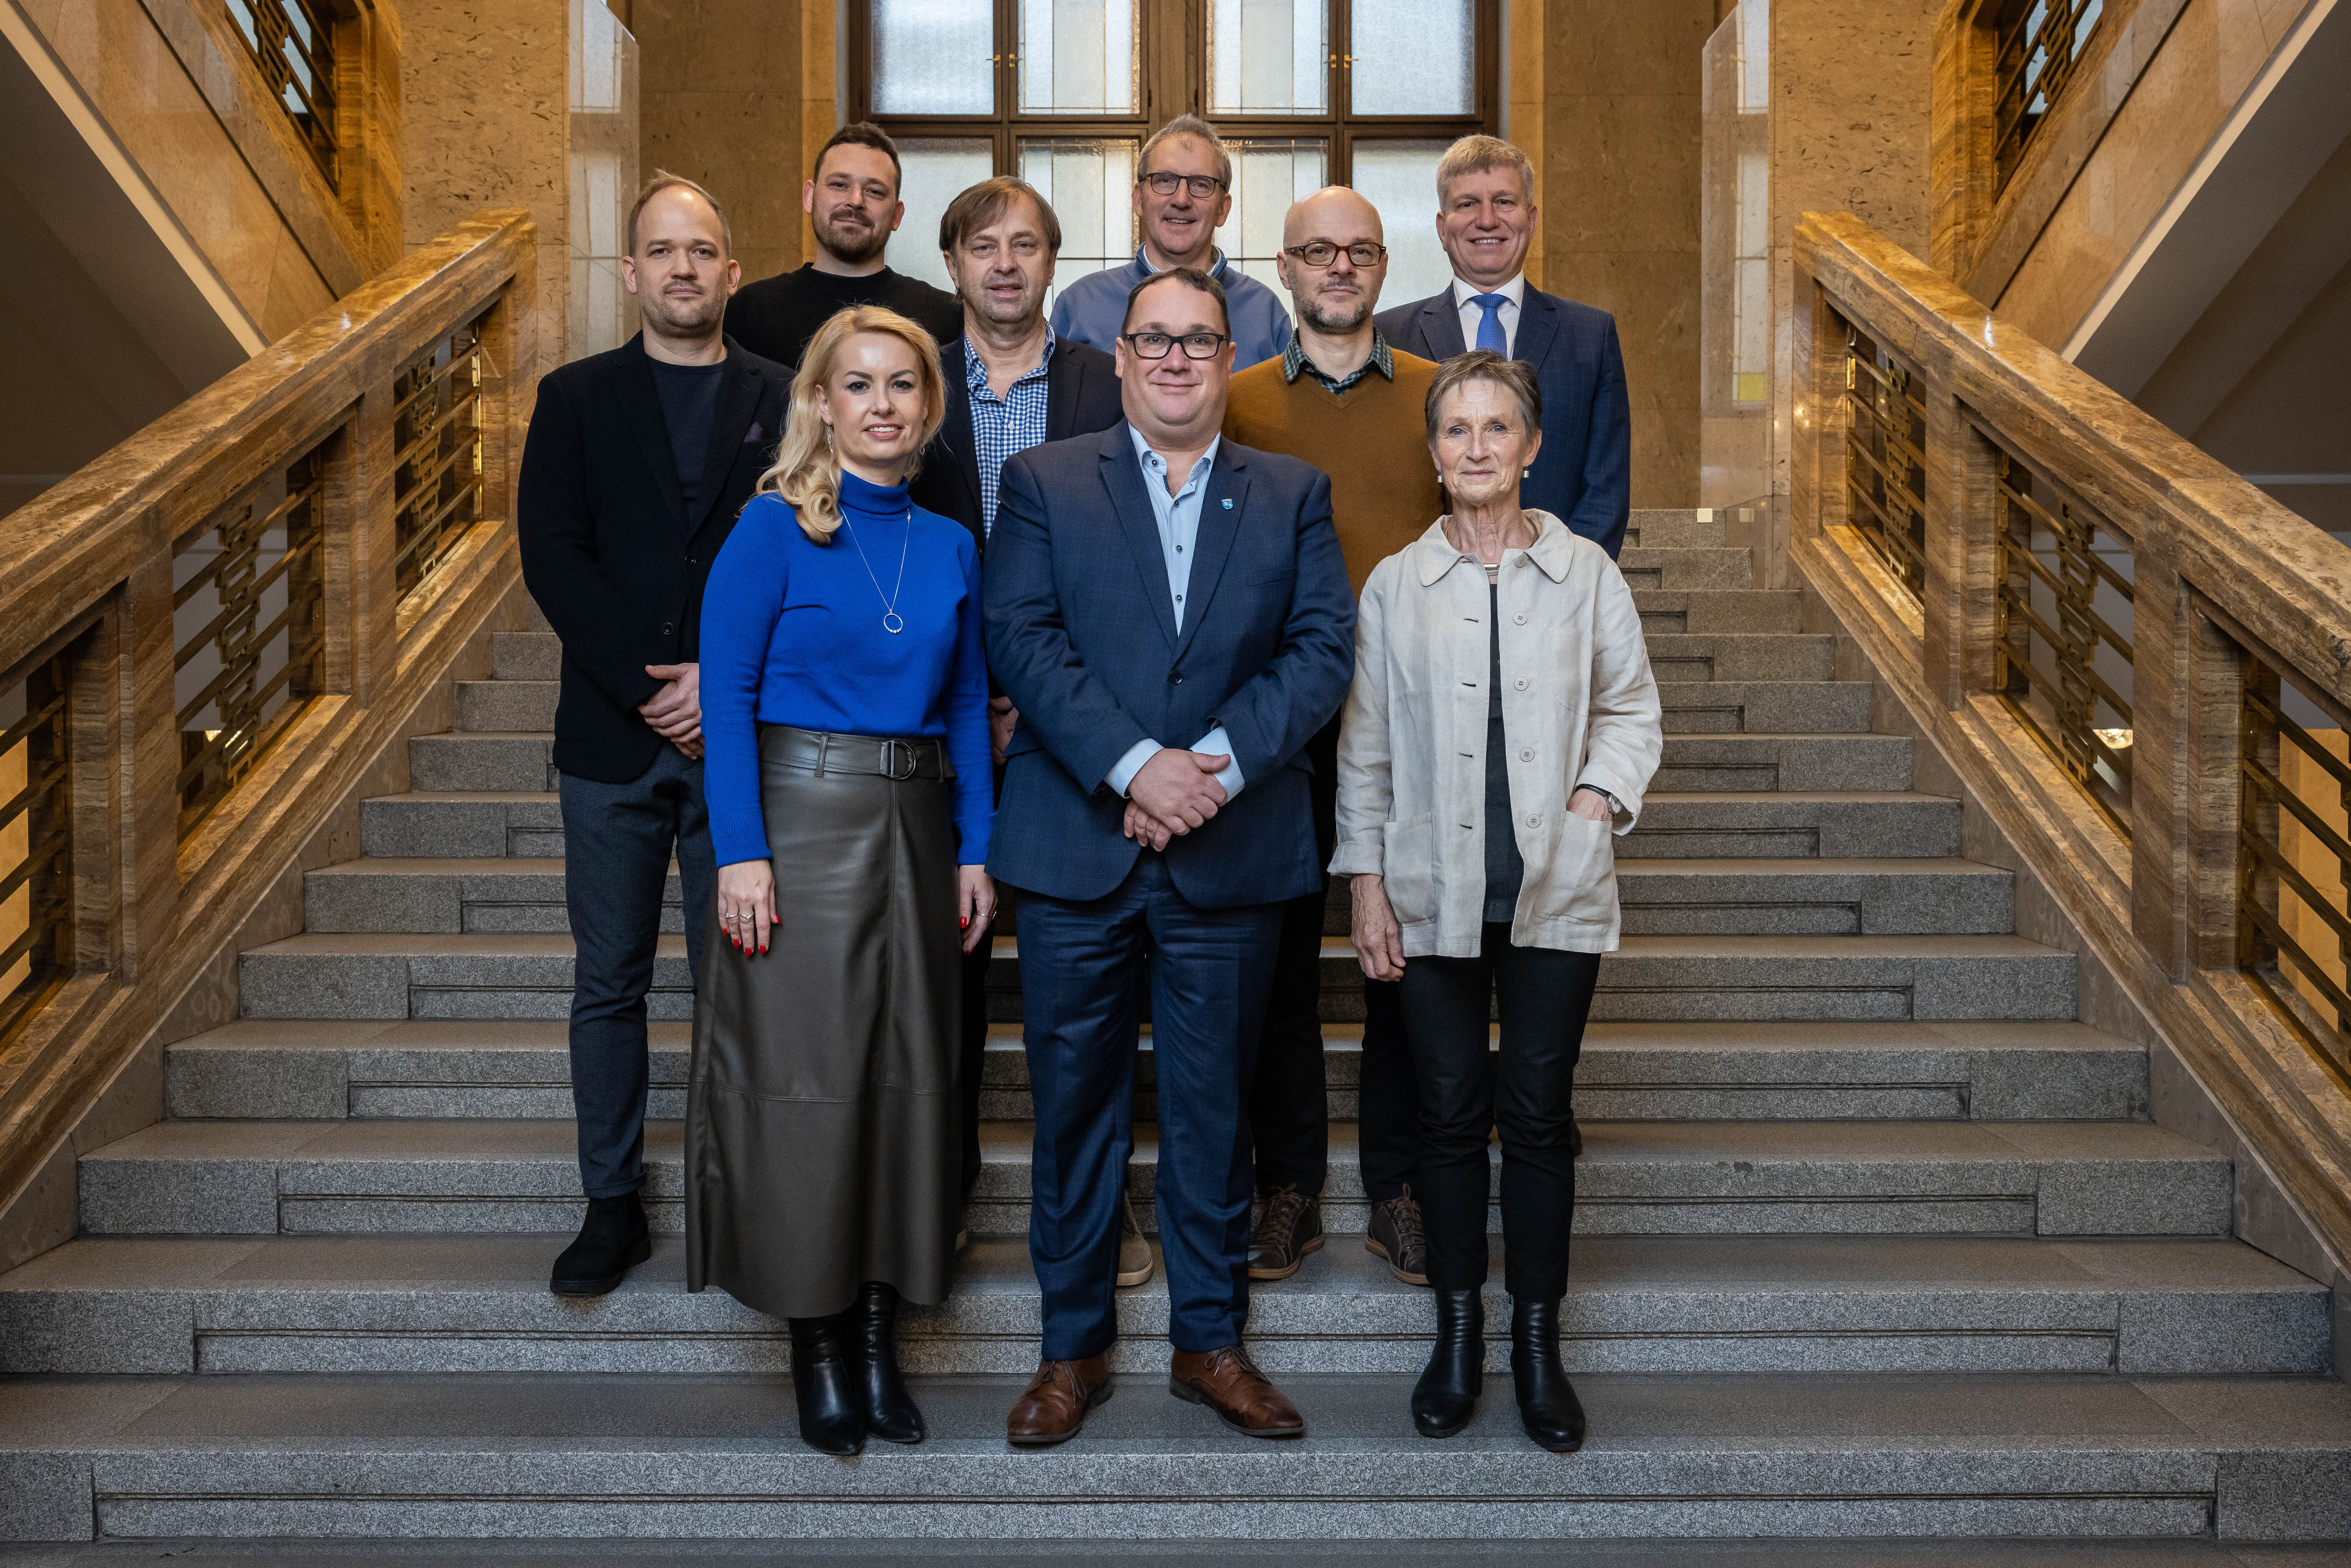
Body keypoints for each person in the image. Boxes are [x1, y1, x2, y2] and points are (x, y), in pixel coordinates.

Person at [985, 267, 1354, 1447]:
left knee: (1211, 1115)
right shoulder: (1042, 480)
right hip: (1073, 847)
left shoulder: (1292, 491)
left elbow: (1317, 650)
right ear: (1123, 351)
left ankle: (1209, 1345)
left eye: (1200, 340)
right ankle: (1068, 1352)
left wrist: (1208, 772)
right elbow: (1023, 640)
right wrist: (1137, 766)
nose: (1177, 359)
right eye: (1155, 339)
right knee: (1074, 1114)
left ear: (1229, 353)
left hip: (1232, 851)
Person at [1334, 351, 1661, 1453]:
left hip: (1554, 890)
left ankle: (1535, 1342)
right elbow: (1365, 750)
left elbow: (1631, 709)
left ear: (1530, 446)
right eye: (1457, 429)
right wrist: (1366, 885)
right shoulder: (1394, 584)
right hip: (1429, 891)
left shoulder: (1587, 577)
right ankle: (1457, 1333)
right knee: (1443, 1111)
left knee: (1534, 1116)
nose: (1476, 447)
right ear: (1434, 454)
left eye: (1497, 428)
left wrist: (1592, 795)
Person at [691, 305, 997, 1457]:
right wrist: (741, 854)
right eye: (857, 384)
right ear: (820, 403)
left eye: (902, 385)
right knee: (809, 1087)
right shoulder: (769, 534)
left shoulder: (950, 544)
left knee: (907, 1083)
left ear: (927, 406)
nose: (881, 404)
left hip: (919, 825)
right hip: (798, 824)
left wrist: (975, 846)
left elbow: (967, 703)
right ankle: (817, 1347)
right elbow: (722, 704)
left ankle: (877, 1339)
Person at [517, 173, 791, 1302]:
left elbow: (801, 559)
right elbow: (554, 558)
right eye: (662, 251)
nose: (684, 268)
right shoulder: (575, 398)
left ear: (732, 272)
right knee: (609, 982)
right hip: (613, 744)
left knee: (742, 984)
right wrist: (649, 687)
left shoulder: (785, 396)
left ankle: (737, 1196)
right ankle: (612, 1203)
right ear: (630, 273)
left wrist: (717, 686)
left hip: (742, 744)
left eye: (704, 250)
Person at [905, 177, 1148, 1287]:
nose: (1004, 264)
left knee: (1092, 993)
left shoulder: (1108, 379)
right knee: (943, 980)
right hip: (935, 714)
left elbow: (1147, 556)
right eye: (982, 246)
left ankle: (1110, 1209)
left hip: (1076, 722)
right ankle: (935, 1198)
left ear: (1055, 261)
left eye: (1027, 245)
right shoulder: (913, 382)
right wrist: (979, 695)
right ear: (950, 262)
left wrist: (1042, 699)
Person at [1219, 188, 1441, 1288]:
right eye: (1318, 251)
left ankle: (1397, 1186)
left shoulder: (1445, 400)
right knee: (1277, 973)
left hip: (1413, 732)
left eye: (1358, 251)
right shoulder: (1237, 398)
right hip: (1275, 726)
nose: (1339, 267)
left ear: (1383, 266)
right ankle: (1289, 1188)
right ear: (1286, 266)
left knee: (1405, 967)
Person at [1375, 135, 1633, 559]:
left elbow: (1606, 489)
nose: (1487, 220)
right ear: (1442, 228)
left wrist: (1562, 583)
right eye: (1466, 205)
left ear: (1531, 220)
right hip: (1426, 601)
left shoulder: (1590, 336)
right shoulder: (1389, 337)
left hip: (1559, 598)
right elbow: (1383, 488)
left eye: (1504, 202)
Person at [1048, 115, 1291, 372]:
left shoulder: (1265, 313)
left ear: (1223, 209)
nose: (1181, 200)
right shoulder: (1079, 306)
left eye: (1200, 184)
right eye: (1165, 181)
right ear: (1139, 199)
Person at [728, 123, 963, 369]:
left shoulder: (946, 318)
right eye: (840, 185)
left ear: (896, 215)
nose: (855, 201)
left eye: (874, 191)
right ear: (809, 196)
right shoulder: (750, 312)